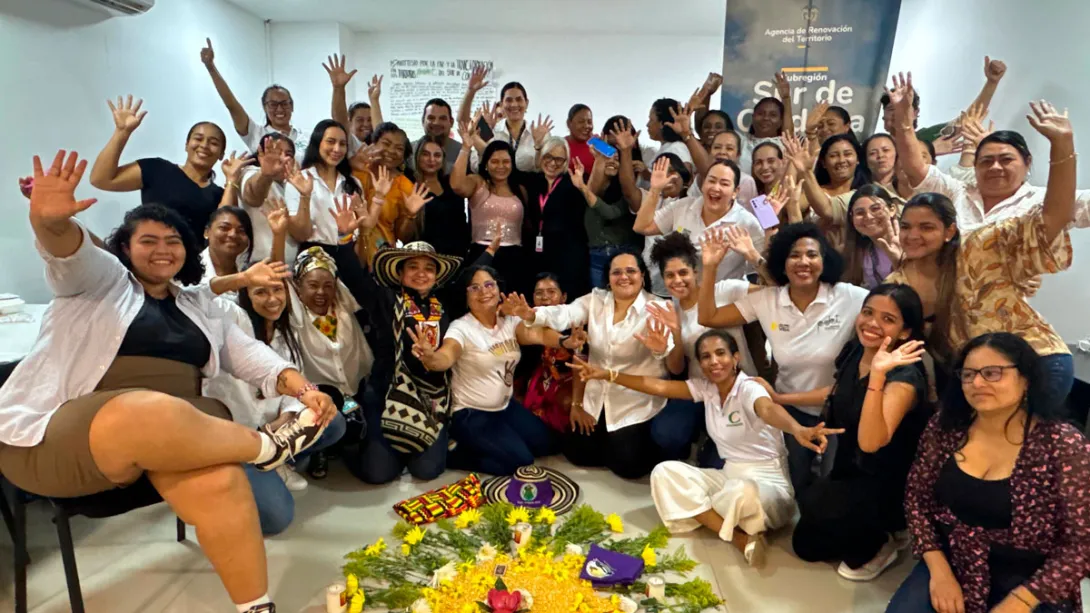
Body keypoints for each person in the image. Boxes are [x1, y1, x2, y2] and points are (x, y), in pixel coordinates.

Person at [0, 151, 337, 613]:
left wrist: (307, 392)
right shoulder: (99, 282)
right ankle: (267, 448)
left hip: (174, 442)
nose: (163, 248)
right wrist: (50, 223)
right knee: (145, 407)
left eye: (173, 240)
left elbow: (256, 358)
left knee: (221, 481)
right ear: (123, 249)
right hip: (65, 440)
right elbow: (68, 252)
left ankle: (257, 607)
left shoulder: (200, 305)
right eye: (148, 240)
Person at [571, 330, 837, 567]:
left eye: (720, 353)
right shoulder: (707, 389)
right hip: (729, 476)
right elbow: (658, 385)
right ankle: (739, 537)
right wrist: (609, 375)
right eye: (706, 356)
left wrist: (797, 428)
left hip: (769, 488)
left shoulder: (749, 388)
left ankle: (713, 517)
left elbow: (768, 409)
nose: (714, 361)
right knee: (665, 472)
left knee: (742, 493)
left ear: (736, 358)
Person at [891, 332, 1090, 613]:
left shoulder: (1063, 445)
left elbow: (1081, 544)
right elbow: (916, 499)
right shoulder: (946, 427)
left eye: (993, 373)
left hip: (1033, 576)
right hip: (954, 557)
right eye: (968, 374)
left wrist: (1021, 601)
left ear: (1026, 379)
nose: (977, 383)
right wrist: (939, 571)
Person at [764, 284, 931, 581]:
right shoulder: (857, 349)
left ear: (905, 333)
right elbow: (840, 391)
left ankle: (885, 542)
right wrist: (782, 399)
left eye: (888, 319)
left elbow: (871, 443)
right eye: (868, 312)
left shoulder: (905, 377)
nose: (872, 323)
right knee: (805, 545)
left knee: (822, 509)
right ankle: (872, 529)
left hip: (886, 478)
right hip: (850, 465)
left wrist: (879, 374)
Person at [698, 223, 869, 491]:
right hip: (790, 410)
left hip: (838, 410)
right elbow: (708, 317)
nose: (803, 262)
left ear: (825, 261)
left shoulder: (849, 296)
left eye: (812, 255)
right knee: (796, 484)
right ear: (781, 262)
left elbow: (889, 311)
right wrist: (709, 268)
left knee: (831, 486)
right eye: (794, 255)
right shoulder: (767, 300)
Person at [336, 223, 499, 484]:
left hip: (431, 399)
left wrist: (490, 250)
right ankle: (356, 446)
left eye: (429, 268)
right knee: (378, 474)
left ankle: (416, 445)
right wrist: (345, 240)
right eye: (413, 267)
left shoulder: (446, 301)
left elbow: (469, 276)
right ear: (400, 273)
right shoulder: (384, 299)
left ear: (436, 275)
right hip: (387, 394)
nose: (421, 274)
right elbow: (355, 277)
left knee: (427, 471)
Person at [887, 185, 1075, 411]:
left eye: (926, 227)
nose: (913, 235)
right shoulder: (896, 284)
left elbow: (1051, 220)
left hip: (1036, 360)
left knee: (1014, 440)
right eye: (906, 227)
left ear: (949, 231)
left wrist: (1062, 152)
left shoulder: (977, 247)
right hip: (977, 375)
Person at [512, 249, 674, 479]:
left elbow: (667, 351)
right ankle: (609, 443)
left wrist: (660, 348)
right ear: (608, 277)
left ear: (643, 276)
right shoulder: (596, 300)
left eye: (631, 271)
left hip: (635, 398)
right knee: (579, 453)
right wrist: (532, 315)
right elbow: (566, 314)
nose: (623, 277)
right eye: (616, 272)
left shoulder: (659, 308)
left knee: (627, 465)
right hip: (597, 396)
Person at [409, 267, 581, 475]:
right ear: (466, 296)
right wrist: (430, 357)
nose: (484, 292)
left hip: (504, 407)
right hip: (471, 413)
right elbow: (446, 356)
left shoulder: (509, 321)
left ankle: (497, 441)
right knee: (520, 461)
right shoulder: (461, 328)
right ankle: (454, 451)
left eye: (489, 285)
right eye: (475, 288)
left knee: (548, 445)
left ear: (499, 288)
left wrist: (565, 341)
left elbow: (538, 335)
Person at [891, 73, 1090, 234]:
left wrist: (1062, 145)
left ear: (1027, 162)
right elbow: (916, 168)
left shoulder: (1040, 201)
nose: (995, 167)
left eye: (1006, 160)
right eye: (986, 161)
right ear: (975, 165)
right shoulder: (958, 191)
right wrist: (903, 122)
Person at [645, 230, 762, 465]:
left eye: (683, 273)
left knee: (716, 464)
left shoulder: (725, 290)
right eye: (670, 276)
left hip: (737, 386)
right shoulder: (670, 310)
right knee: (666, 434)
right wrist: (676, 332)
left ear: (695, 272)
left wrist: (753, 254)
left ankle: (713, 439)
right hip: (699, 390)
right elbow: (676, 368)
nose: (677, 280)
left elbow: (773, 291)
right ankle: (700, 431)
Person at [88, 96, 248, 240]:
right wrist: (122, 132)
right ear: (186, 145)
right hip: (148, 260)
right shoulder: (157, 169)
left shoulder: (219, 194)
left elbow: (225, 229)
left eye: (213, 143)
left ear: (221, 154)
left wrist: (232, 179)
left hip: (192, 268)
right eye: (198, 139)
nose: (204, 146)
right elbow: (101, 179)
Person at [634, 158, 765, 285]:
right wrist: (655, 189)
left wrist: (750, 252)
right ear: (703, 184)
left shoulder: (747, 222)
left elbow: (766, 270)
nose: (715, 187)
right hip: (683, 298)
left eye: (724, 183)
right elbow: (642, 227)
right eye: (711, 181)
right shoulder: (682, 207)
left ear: (735, 192)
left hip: (726, 301)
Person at [200, 38, 310, 161]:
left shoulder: (306, 137)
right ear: (264, 107)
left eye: (284, 103)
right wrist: (211, 68)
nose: (280, 109)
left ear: (292, 106)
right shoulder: (255, 133)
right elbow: (232, 106)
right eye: (273, 104)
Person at [452, 126, 530, 295]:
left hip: (515, 258)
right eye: (495, 161)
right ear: (486, 164)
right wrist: (466, 148)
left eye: (506, 161)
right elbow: (456, 185)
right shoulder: (478, 182)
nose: (500, 166)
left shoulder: (520, 190)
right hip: (482, 254)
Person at [524, 136, 591, 299]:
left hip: (567, 253)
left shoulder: (574, 182)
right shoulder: (533, 181)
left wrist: (582, 186)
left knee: (566, 298)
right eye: (548, 157)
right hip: (538, 252)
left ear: (566, 161)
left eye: (559, 159)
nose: (553, 163)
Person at [519, 273, 585, 435]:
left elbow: (581, 363)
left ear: (563, 297)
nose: (545, 298)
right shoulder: (527, 325)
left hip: (573, 381)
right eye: (539, 293)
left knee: (566, 402)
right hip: (542, 378)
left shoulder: (576, 323)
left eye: (551, 292)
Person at [283, 119, 362, 250]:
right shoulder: (298, 181)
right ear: (317, 143)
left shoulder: (353, 183)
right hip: (314, 255)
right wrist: (305, 196)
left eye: (342, 144)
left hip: (348, 250)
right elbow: (300, 235)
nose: (337, 149)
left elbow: (359, 229)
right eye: (330, 142)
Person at [355, 122, 425, 263]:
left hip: (382, 257)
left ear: (404, 157)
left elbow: (403, 237)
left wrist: (411, 215)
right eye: (386, 143)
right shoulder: (356, 172)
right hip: (348, 251)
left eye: (399, 148)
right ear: (373, 144)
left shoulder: (405, 186)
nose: (392, 151)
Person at [238, 133, 313, 264]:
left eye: (288, 154)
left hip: (288, 269)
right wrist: (266, 174)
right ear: (262, 155)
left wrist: (305, 196)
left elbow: (301, 234)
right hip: (256, 268)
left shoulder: (293, 185)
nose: (283, 158)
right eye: (277, 152)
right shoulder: (250, 172)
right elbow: (253, 197)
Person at [413, 135, 471, 259]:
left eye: (437, 155)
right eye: (425, 154)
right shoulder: (411, 185)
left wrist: (466, 147)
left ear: (443, 158)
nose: (431, 159)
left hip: (458, 257)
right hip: (426, 258)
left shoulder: (451, 183)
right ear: (417, 156)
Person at [839, 186, 902, 289]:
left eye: (875, 209)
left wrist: (900, 264)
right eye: (860, 213)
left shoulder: (908, 243)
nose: (868, 216)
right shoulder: (852, 251)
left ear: (892, 210)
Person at [200, 206, 254, 300]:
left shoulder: (250, 269)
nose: (233, 234)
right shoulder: (187, 268)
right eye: (224, 228)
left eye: (241, 231)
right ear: (207, 232)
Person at [566, 103, 595, 174]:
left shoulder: (598, 143)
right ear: (569, 123)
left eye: (589, 122)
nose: (586, 126)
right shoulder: (560, 145)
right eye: (581, 122)